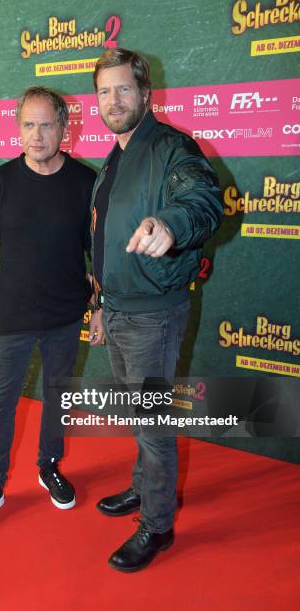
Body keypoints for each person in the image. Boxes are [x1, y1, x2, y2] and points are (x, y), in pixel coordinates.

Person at [89, 48, 223, 572]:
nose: (114, 100)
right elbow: (103, 239)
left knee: (151, 422)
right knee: (135, 415)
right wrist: (100, 302)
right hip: (118, 308)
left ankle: (158, 526)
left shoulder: (171, 147)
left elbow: (202, 199)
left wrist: (171, 225)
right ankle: (144, 489)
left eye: (124, 89)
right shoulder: (114, 156)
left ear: (146, 95)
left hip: (153, 313)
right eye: (105, 91)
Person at [0, 86, 96, 535]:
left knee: (59, 395)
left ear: (63, 127)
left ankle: (49, 466)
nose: (36, 135)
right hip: (14, 315)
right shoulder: (1, 180)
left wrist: (101, 305)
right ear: (18, 129)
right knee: (2, 403)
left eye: (46, 125)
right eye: (28, 125)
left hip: (64, 312)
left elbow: (97, 250)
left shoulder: (84, 182)